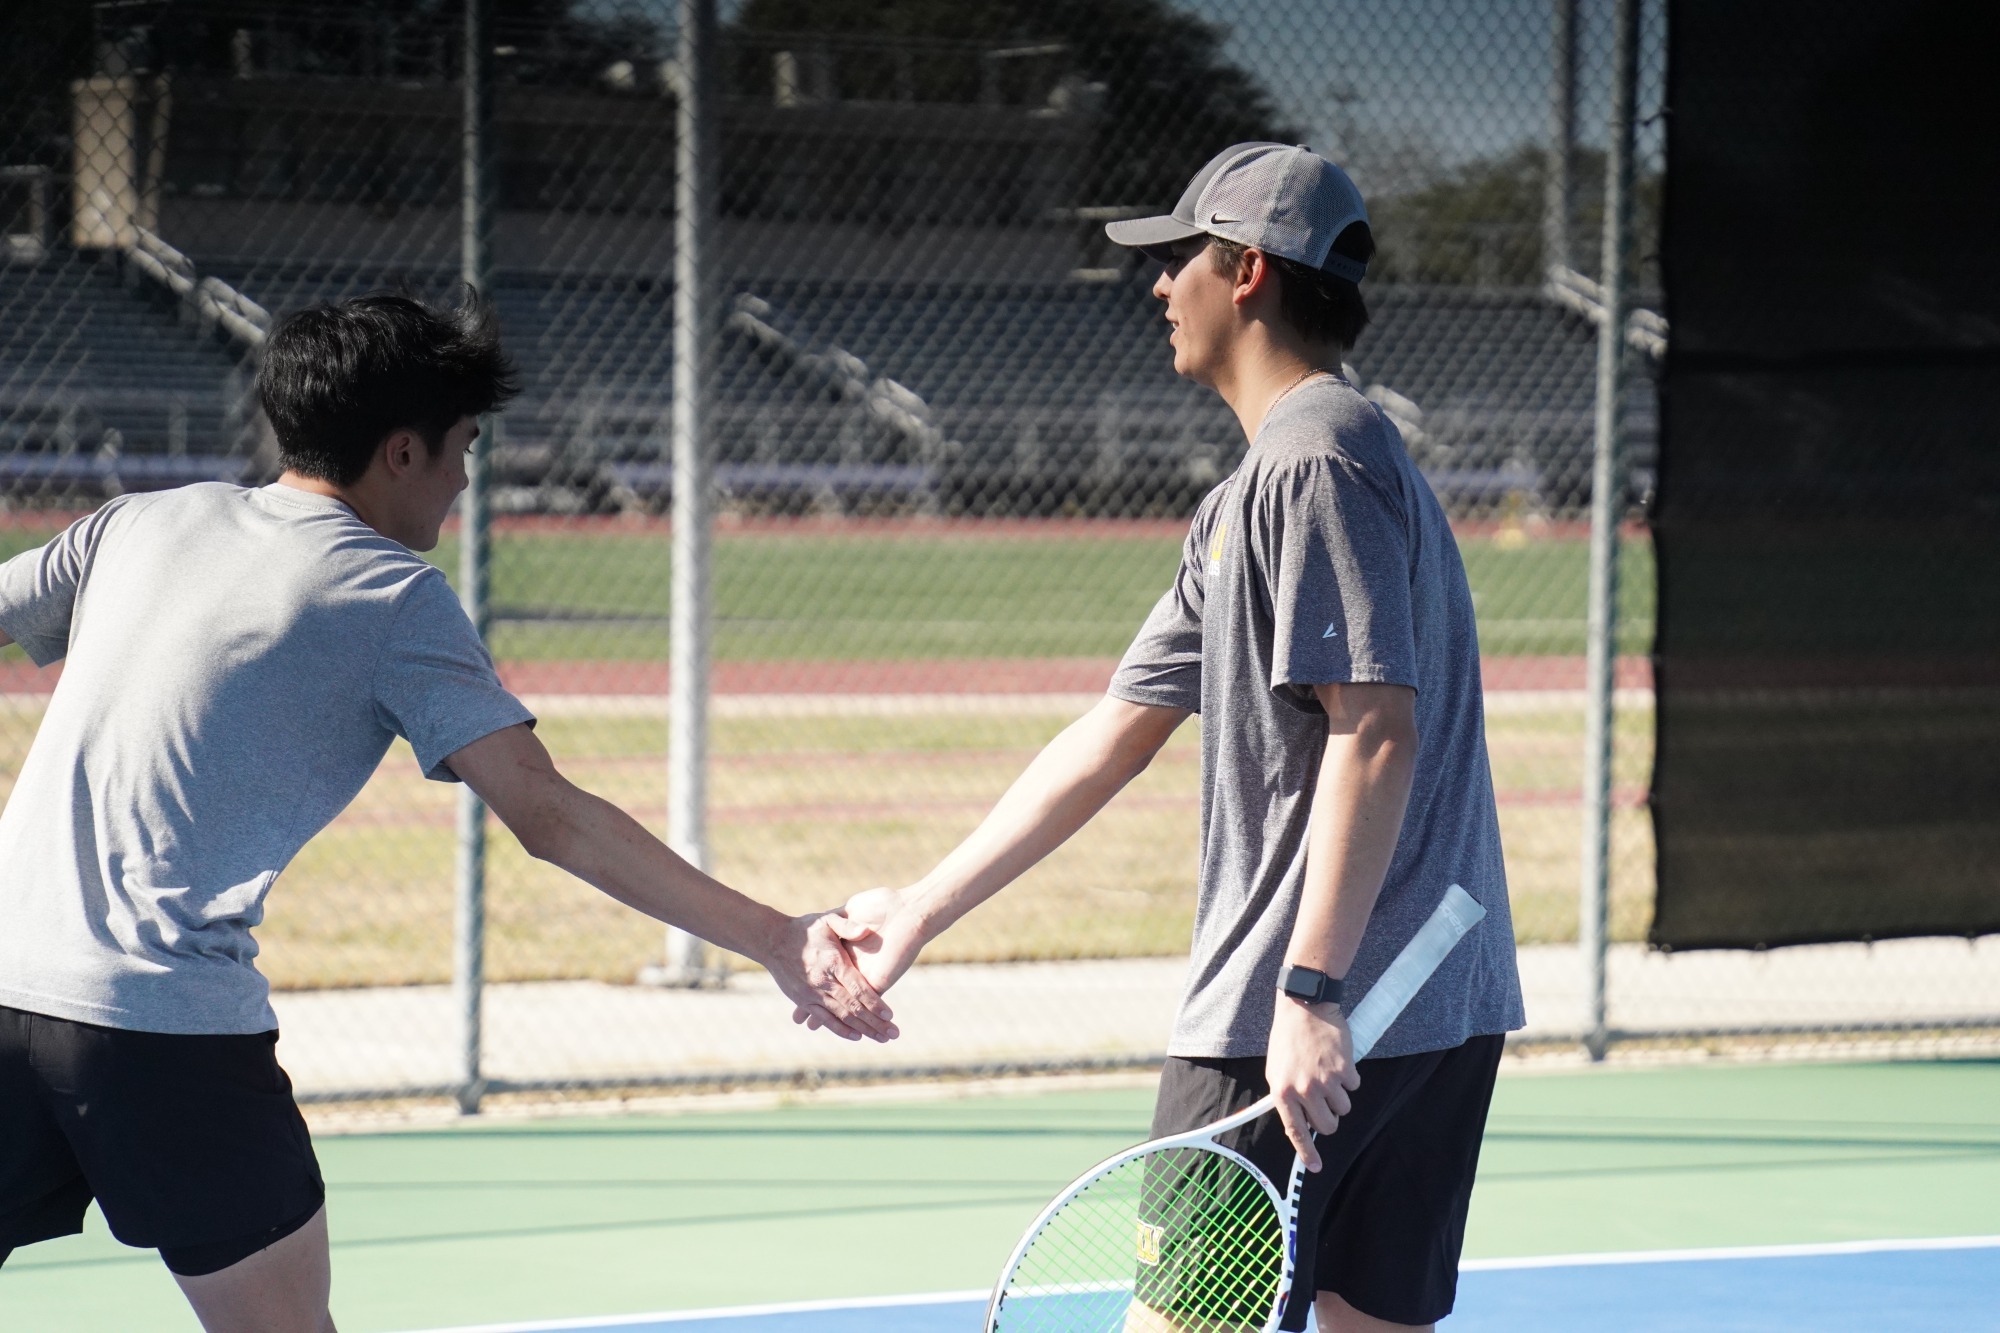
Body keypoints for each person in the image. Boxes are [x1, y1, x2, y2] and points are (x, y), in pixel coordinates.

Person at [0, 292, 893, 1332]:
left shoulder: (141, 519)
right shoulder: (391, 594)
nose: (468, 477)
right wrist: (778, 936)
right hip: (161, 1029)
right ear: (401, 452)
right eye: (463, 447)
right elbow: (548, 815)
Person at [821, 144, 1524, 1331]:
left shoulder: (1310, 461)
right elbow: (1114, 733)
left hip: (1299, 1028)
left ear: (1246, 271)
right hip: (1423, 1007)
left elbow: (1374, 731)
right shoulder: (1269, 487)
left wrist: (1307, 990)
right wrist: (920, 908)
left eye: (1176, 259)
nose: (1157, 287)